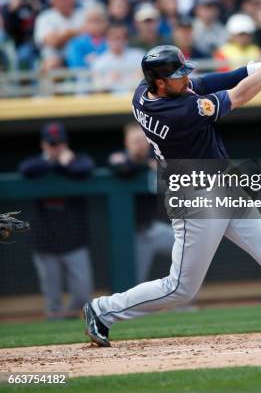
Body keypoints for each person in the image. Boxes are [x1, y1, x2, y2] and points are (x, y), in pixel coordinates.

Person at [83, 44, 261, 346]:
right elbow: (239, 96)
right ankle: (102, 310)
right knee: (180, 288)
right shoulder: (177, 111)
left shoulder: (145, 92)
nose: (186, 79)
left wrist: (255, 67)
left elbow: (206, 83)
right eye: (178, 75)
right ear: (160, 82)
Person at [20, 122, 94, 319]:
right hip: (45, 241)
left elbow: (85, 168)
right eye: (52, 143)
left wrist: (66, 162)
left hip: (74, 240)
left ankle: (69, 325)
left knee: (81, 295)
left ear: (65, 143)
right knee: (52, 300)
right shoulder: (36, 163)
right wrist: (51, 161)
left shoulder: (76, 160)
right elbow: (25, 169)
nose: (56, 147)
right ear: (44, 144)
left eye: (59, 143)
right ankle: (55, 334)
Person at [108, 123, 175, 284]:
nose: (139, 145)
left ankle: (185, 302)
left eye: (142, 140)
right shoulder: (120, 158)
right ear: (127, 143)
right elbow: (123, 168)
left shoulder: (156, 157)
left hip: (153, 228)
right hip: (132, 235)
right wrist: (146, 165)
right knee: (134, 282)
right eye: (135, 141)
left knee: (188, 247)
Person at [91, 23, 144, 93]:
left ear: (126, 39)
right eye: (113, 38)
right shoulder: (99, 62)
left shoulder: (139, 56)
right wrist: (108, 82)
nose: (116, 42)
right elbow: (97, 90)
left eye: (119, 38)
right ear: (107, 40)